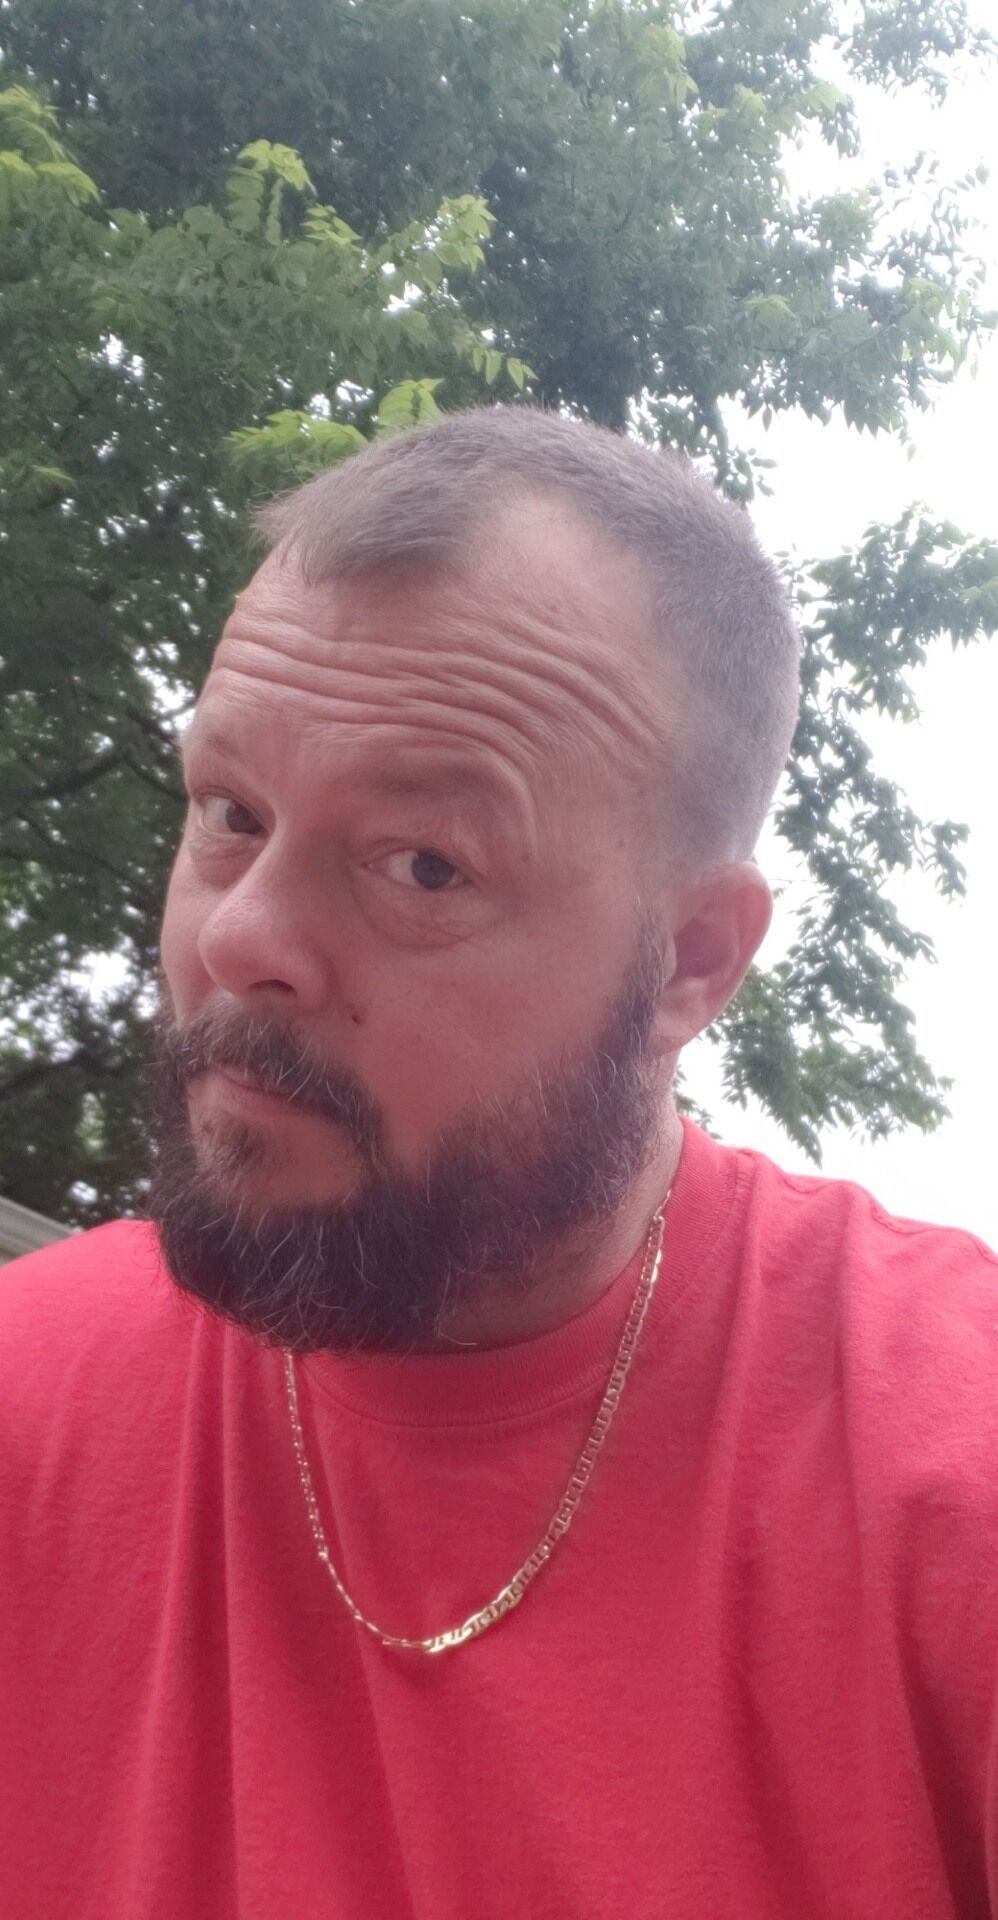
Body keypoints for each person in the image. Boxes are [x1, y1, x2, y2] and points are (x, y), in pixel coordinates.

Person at [1, 407, 996, 1920]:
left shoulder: (942, 1478)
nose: (241, 938)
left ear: (689, 962)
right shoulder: (28, 1406)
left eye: (423, 865)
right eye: (230, 813)